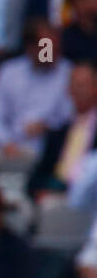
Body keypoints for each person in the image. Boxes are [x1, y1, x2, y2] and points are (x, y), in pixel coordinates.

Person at [0, 17, 71, 161]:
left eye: (56, 48)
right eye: (48, 49)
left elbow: (69, 115)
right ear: (30, 47)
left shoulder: (68, 73)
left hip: (43, 146)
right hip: (3, 142)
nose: (53, 54)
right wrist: (5, 142)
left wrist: (47, 125)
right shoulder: (8, 71)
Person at [28, 59, 97, 200]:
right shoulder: (57, 132)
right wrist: (41, 191)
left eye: (83, 85)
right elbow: (35, 179)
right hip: (56, 198)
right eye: (74, 85)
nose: (78, 90)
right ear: (68, 90)